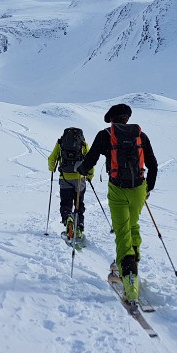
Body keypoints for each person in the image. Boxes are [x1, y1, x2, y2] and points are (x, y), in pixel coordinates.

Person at [76, 103, 158, 303]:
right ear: (127, 118)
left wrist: (81, 169)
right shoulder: (141, 135)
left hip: (118, 189)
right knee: (133, 225)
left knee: (122, 232)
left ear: (112, 119)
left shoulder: (105, 135)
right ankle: (134, 260)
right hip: (139, 189)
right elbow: (153, 164)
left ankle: (129, 278)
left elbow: (90, 160)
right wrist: (148, 188)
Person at [47, 126, 93, 245]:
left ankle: (68, 218)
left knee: (66, 203)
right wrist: (90, 176)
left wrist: (52, 168)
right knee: (79, 204)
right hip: (80, 178)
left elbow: (52, 158)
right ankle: (79, 227)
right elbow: (90, 160)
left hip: (65, 178)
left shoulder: (61, 143)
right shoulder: (83, 144)